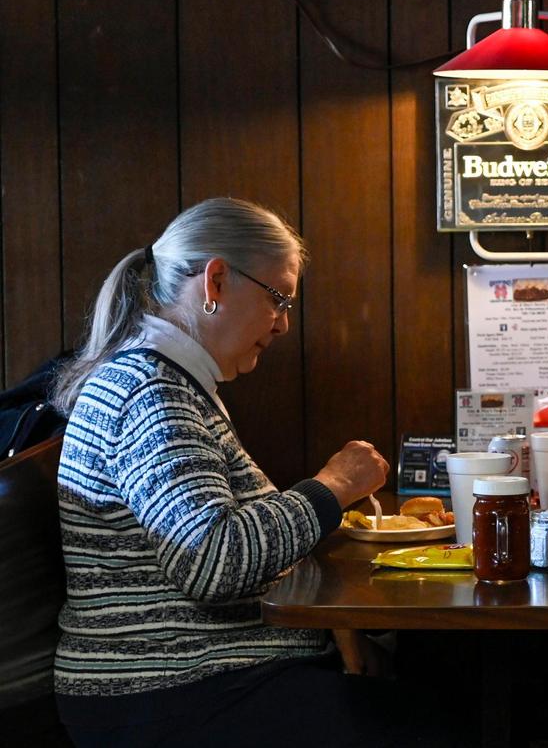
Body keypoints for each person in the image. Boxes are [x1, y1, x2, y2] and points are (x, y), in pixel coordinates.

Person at [49, 198, 460, 747]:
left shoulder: (171, 382)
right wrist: (334, 486)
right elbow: (212, 561)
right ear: (216, 281)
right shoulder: (150, 390)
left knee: (446, 682)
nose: (284, 323)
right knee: (449, 721)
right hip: (169, 693)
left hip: (205, 678)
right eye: (278, 299)